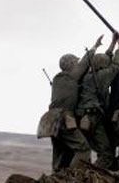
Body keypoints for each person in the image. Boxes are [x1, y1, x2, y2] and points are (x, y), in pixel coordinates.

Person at [37, 35, 103, 170]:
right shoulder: (68, 76)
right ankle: (72, 178)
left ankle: (57, 178)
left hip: (53, 120)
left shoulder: (58, 80)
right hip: (63, 118)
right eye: (75, 63)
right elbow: (84, 64)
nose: (77, 65)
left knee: (61, 154)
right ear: (70, 65)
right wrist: (94, 47)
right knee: (83, 149)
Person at [75, 33, 119, 169]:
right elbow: (116, 66)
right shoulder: (102, 76)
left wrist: (112, 43)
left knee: (101, 151)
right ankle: (90, 177)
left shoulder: (88, 76)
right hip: (93, 118)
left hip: (84, 117)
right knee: (106, 155)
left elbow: (106, 60)